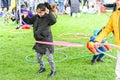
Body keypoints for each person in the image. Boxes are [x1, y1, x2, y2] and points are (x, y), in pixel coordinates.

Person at [22, 3, 57, 78]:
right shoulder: (36, 17)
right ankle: (42, 68)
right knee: (38, 57)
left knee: (49, 58)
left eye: (41, 12)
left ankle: (53, 71)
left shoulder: (48, 18)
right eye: (37, 12)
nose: (39, 14)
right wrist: (25, 17)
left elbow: (54, 21)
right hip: (38, 41)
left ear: (45, 11)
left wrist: (49, 13)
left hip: (46, 41)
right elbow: (29, 21)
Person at [94, 0, 120, 80]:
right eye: (117, 0)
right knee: (119, 70)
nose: (118, 2)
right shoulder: (115, 15)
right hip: (119, 46)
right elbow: (107, 29)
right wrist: (98, 40)